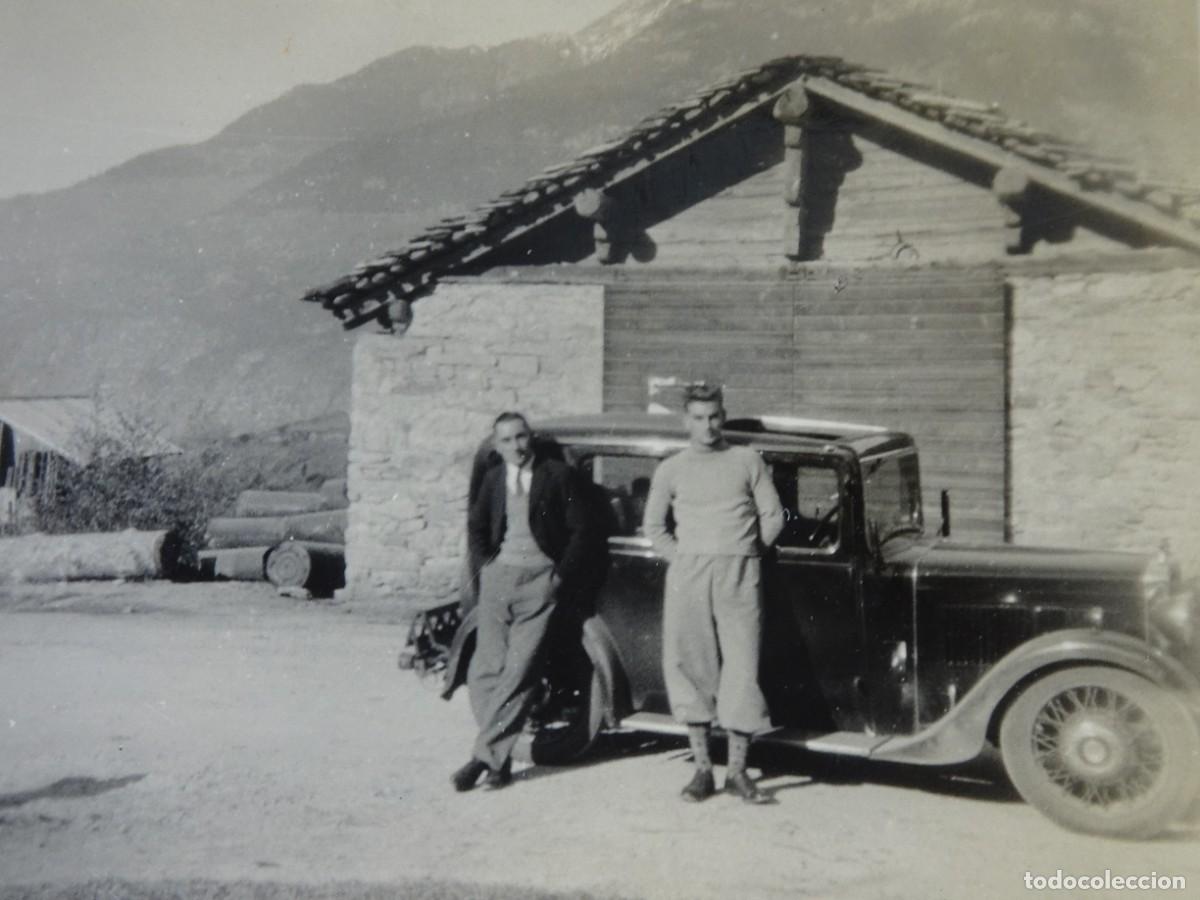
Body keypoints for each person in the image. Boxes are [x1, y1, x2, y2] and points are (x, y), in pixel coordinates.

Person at [643, 384, 784, 804]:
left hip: (739, 572)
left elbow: (773, 514)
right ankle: (702, 771)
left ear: (723, 416)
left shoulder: (746, 459)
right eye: (699, 418)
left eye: (714, 417)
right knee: (691, 665)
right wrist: (682, 559)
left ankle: (738, 773)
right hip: (689, 575)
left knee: (742, 667)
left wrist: (749, 552)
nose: (708, 426)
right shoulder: (671, 468)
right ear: (686, 421)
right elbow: (653, 526)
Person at [451, 411, 601, 791]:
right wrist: (487, 566)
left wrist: (557, 577)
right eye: (506, 440)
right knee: (485, 671)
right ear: (497, 445)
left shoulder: (557, 476)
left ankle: (483, 758)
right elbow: (477, 525)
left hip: (539, 581)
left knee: (519, 672)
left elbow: (582, 530)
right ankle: (498, 763)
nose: (516, 446)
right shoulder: (494, 478)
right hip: (499, 579)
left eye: (521, 437)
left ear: (529, 437)